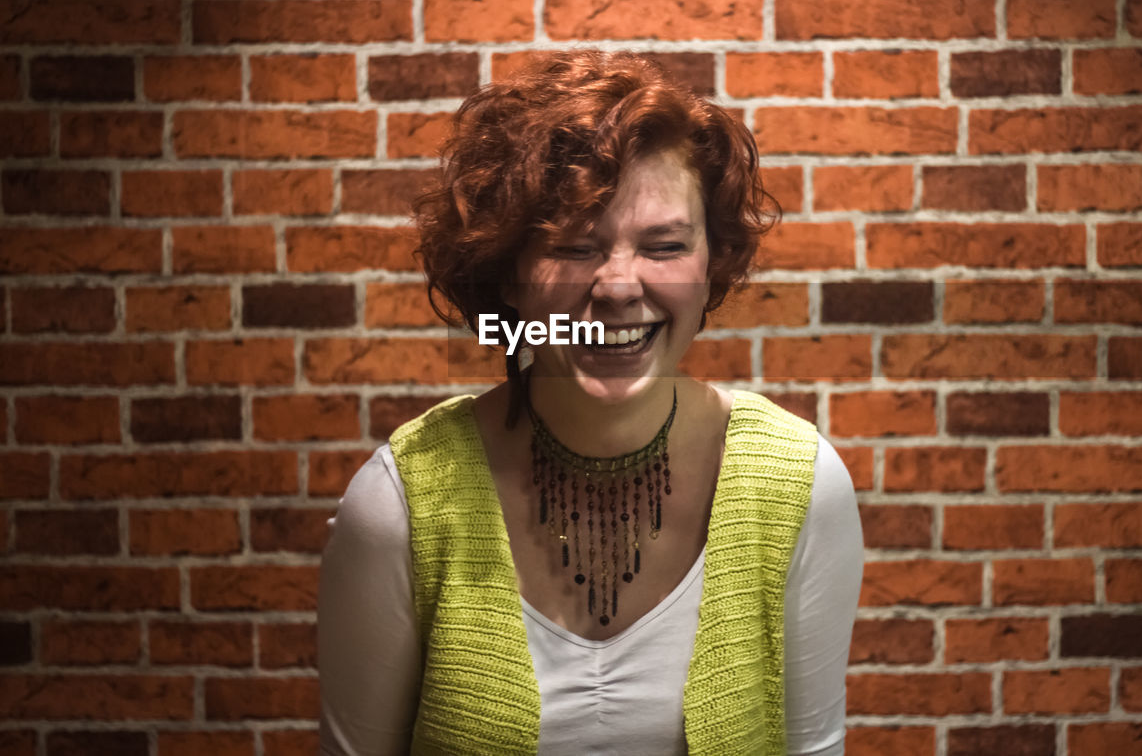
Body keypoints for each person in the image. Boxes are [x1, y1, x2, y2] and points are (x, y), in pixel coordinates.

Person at [318, 50, 864, 755]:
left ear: (710, 269)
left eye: (664, 244)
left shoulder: (800, 486)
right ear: (507, 274)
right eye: (573, 247)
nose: (617, 286)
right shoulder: (399, 504)